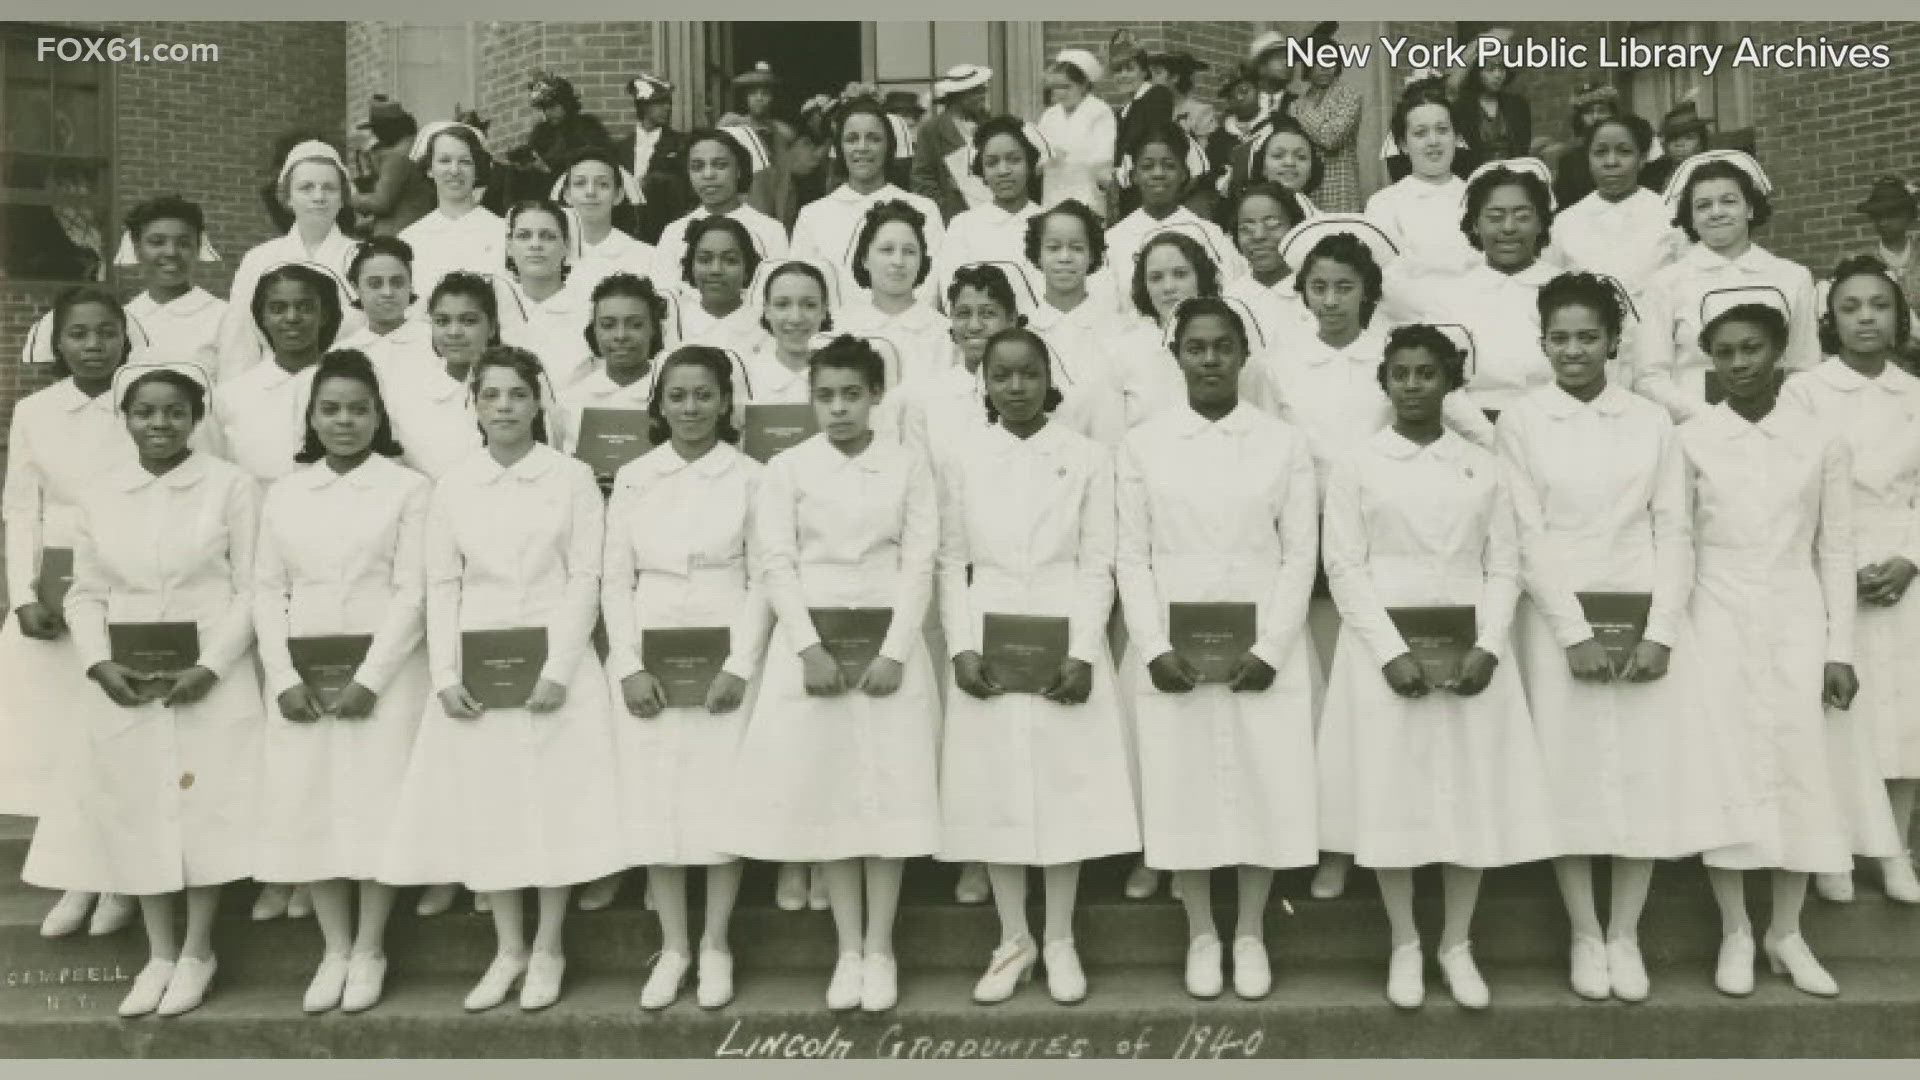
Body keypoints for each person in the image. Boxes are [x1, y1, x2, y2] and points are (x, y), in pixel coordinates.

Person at [1497, 273, 1755, 1002]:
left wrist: (1662, 628)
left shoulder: (1649, 422)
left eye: (1588, 337)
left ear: (1613, 341)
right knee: (1570, 773)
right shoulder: (1521, 422)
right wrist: (1572, 630)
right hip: (1555, 619)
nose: (1574, 351)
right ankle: (1585, 930)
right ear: (1542, 342)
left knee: (1640, 772)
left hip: (1643, 608)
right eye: (1560, 338)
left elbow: (1673, 528)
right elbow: (1524, 533)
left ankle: (1625, 933)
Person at [379, 345, 625, 1013]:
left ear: (539, 402)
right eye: (492, 396)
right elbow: (442, 582)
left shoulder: (571, 477)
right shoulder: (454, 484)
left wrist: (558, 669)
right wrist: (446, 675)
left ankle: (548, 946)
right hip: (478, 666)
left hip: (555, 664)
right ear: (474, 405)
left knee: (553, 805)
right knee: (493, 811)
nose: (506, 408)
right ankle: (508, 947)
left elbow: (585, 577)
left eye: (518, 394)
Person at [1316, 323, 1555, 1010]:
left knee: (1466, 796)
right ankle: (1404, 942)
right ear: (1384, 381)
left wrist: (1489, 643)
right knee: (1394, 796)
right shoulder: (1359, 465)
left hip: (1470, 651)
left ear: (1451, 383)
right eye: (1401, 374)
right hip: (1384, 653)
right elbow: (1344, 565)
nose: (1414, 386)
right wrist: (1389, 652)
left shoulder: (1484, 465)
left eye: (1427, 373)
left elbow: (1504, 561)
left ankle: (1456, 942)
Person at [22, 362, 261, 1019]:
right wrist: (99, 663)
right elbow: (87, 590)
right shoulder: (101, 492)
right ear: (124, 418)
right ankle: (158, 952)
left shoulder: (230, 487)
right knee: (138, 810)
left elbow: (251, 587)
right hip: (128, 681)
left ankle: (197, 951)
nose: (160, 424)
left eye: (175, 412)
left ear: (196, 416)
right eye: (145, 412)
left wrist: (211, 665)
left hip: (209, 677)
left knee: (204, 809)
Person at [720, 335, 942, 1013]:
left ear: (877, 396)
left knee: (886, 795)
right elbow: (776, 563)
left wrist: (896, 651)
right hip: (812, 657)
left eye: (852, 394)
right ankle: (848, 948)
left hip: (884, 655)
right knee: (833, 798)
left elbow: (919, 561)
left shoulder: (907, 465)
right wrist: (807, 646)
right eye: (825, 395)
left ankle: (882, 948)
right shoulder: (787, 468)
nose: (839, 408)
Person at [1114, 297, 1317, 1000]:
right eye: (1196, 348)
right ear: (1177, 356)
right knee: (1183, 786)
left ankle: (1252, 930)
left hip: (1262, 644)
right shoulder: (1143, 444)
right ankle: (1202, 930)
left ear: (1242, 354)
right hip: (1174, 643)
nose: (1209, 360)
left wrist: (1273, 646)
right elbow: (1130, 557)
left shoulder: (1281, 443)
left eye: (1222, 347)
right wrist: (1151, 646)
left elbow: (1299, 555)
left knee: (1265, 784)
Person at [935, 326, 1140, 1005]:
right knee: (995, 787)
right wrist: (962, 644)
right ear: (984, 383)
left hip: (1062, 625)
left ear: (1047, 378)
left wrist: (1083, 652)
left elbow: (1098, 559)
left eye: (1028, 375)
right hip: (988, 628)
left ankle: (1058, 938)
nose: (1016, 388)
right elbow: (949, 560)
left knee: (1064, 785)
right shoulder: (961, 456)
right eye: (1002, 376)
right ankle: (1012, 937)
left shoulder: (1085, 456)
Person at [1681, 298, 1857, 1000]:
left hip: (1793, 614)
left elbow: (1836, 547)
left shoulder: (1820, 439)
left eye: (1751, 349)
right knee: (1724, 772)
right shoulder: (1693, 438)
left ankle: (1786, 931)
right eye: (1724, 353)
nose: (1738, 364)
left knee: (1797, 769)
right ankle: (1734, 930)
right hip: (1714, 615)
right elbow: (1680, 542)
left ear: (1779, 350)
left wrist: (1837, 645)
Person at [254, 349, 431, 1014]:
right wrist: (281, 676)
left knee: (373, 807)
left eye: (358, 409)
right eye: (330, 409)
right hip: (302, 681)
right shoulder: (286, 492)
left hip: (380, 680)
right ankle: (333, 946)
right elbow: (268, 589)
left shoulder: (408, 490)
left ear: (379, 415)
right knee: (313, 806)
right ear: (312, 418)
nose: (345, 420)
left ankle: (370, 948)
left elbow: (412, 592)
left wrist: (372, 678)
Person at [604, 345, 771, 1011]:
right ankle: (674, 946)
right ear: (659, 404)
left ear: (726, 403)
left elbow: (764, 577)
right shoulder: (636, 477)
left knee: (719, 798)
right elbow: (615, 580)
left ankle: (716, 943)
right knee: (658, 800)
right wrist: (629, 665)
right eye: (678, 396)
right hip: (652, 648)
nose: (692, 408)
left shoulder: (753, 477)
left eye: (705, 395)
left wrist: (739, 665)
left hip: (724, 647)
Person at [3, 288, 146, 941]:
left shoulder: (147, 402)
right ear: (57, 343)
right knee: (64, 740)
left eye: (106, 333)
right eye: (79, 335)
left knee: (121, 736)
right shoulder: (35, 411)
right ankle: (77, 877)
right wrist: (25, 595)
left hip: (130, 581)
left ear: (126, 338)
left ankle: (120, 880)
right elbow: (21, 508)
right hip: (59, 589)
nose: (93, 346)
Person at [1781, 256, 1920, 905]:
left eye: (1880, 306)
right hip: (1830, 561)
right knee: (1841, 707)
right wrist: (1833, 559)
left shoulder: (1915, 393)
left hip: (1904, 566)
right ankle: (1831, 845)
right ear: (1831, 321)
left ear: (1900, 316)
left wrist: (1909, 559)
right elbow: (1793, 481)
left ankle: (1894, 850)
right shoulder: (1806, 391)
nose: (1867, 318)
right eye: (1851, 308)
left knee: (1905, 712)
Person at [1637, 151, 1820, 423]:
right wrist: (1709, 417)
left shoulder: (1792, 277)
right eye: (1702, 205)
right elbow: (1649, 377)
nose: (1716, 212)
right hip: (1697, 429)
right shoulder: (1665, 284)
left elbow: (1804, 366)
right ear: (1690, 217)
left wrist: (1781, 417)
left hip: (1780, 427)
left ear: (1750, 208)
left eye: (1729, 201)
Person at [1408, 159, 1590, 422]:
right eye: (1495, 217)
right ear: (1475, 225)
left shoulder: (1571, 292)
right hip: (1475, 435)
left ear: (1541, 223)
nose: (1508, 228)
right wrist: (1487, 437)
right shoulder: (1448, 298)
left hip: (1561, 427)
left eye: (1522, 216)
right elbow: (1441, 386)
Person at [217, 141, 363, 382]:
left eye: (329, 188)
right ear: (288, 197)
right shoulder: (259, 258)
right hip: (273, 385)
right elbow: (239, 339)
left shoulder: (363, 256)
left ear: (342, 197)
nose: (318, 197)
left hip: (345, 387)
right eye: (306, 188)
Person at [791, 99, 946, 308]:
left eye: (873, 139)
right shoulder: (812, 215)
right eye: (852, 139)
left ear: (889, 147)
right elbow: (801, 288)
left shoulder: (923, 209)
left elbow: (931, 285)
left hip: (907, 333)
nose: (862, 147)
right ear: (840, 148)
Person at [213, 262, 351, 495]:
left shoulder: (351, 387)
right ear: (262, 317)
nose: (292, 317)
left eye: (305, 307)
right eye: (277, 308)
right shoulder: (232, 395)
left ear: (324, 314)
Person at [1105, 123, 1248, 314]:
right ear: (1135, 175)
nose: (1158, 173)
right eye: (1147, 166)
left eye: (1169, 165)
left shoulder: (1209, 234)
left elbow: (1230, 292)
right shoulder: (1114, 239)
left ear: (1184, 174)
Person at [1549, 114, 1685, 301]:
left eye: (1624, 151)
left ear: (1643, 158)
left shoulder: (1669, 216)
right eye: (1600, 152)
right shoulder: (1566, 222)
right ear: (1588, 158)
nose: (1611, 162)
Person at [651, 128, 791, 296]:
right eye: (697, 167)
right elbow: (665, 295)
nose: (708, 174)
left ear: (738, 170)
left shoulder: (770, 230)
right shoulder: (673, 232)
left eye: (720, 165)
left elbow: (781, 293)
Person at [1365, 78, 1478, 284]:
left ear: (1456, 137)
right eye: (1420, 133)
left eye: (1442, 130)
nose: (1433, 141)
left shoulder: (1478, 196)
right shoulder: (1384, 205)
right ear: (1403, 145)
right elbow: (1385, 276)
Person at [382, 272, 491, 483]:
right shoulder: (406, 397)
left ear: (492, 325)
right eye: (442, 321)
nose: (454, 332)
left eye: (469, 321)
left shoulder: (521, 384)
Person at [555, 272, 670, 469]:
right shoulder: (567, 402)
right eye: (608, 325)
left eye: (635, 325)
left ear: (653, 328)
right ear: (595, 330)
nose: (620, 335)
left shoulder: (673, 397)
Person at [933, 117, 1049, 305]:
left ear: (1030, 164)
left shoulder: (1051, 222)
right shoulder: (963, 226)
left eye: (1014, 160)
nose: (1003, 170)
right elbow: (952, 295)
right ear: (982, 171)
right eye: (992, 163)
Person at [838, 200, 951, 384]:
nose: (898, 261)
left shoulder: (945, 334)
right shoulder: (840, 328)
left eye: (909, 251)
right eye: (886, 250)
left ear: (922, 260)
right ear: (865, 258)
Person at [399, 122, 507, 306]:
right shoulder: (410, 238)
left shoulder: (503, 231)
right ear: (429, 169)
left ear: (477, 171)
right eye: (444, 161)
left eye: (465, 162)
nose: (454, 170)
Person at [1023, 200, 1124, 397]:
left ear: (1092, 255)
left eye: (1077, 248)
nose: (1065, 257)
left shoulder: (1118, 330)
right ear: (1038, 255)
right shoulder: (1026, 332)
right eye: (1053, 248)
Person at [117, 196, 227, 375]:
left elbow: (236, 393)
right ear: (137, 249)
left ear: (197, 249)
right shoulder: (124, 318)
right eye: (157, 242)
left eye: (183, 244)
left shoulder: (224, 316)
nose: (171, 252)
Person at [501, 198, 595, 392]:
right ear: (509, 246)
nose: (535, 245)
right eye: (524, 236)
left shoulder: (590, 311)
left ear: (566, 245)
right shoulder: (495, 307)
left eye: (548, 236)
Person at [551, 146, 655, 297]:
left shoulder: (646, 256)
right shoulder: (549, 251)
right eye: (580, 183)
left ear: (618, 195)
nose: (591, 192)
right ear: (567, 194)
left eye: (603, 184)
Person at [1281, 24, 1363, 215]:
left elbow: (1331, 137)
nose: (1325, 67)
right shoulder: (1295, 104)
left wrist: (1301, 110)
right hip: (1308, 189)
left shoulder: (1349, 96)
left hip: (1341, 188)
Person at [1224, 183, 1314, 342]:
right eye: (1246, 228)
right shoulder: (1230, 300)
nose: (1259, 235)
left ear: (1295, 228)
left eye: (1273, 225)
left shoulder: (1315, 293)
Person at [336, 237, 435, 378]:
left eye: (397, 282)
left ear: (410, 285)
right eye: (375, 284)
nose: (387, 292)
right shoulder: (344, 353)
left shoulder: (436, 342)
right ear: (356, 287)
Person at [1036, 50, 1116, 220]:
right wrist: (1044, 158)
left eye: (1066, 86)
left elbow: (1104, 158)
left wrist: (1067, 155)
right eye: (1056, 87)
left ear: (1084, 85)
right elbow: (1038, 152)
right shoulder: (1050, 115)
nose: (1060, 93)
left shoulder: (1099, 111)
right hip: (1053, 195)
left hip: (1086, 196)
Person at [616, 74, 694, 245]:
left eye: (668, 103)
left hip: (666, 233)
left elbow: (687, 192)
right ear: (643, 106)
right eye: (659, 103)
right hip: (627, 234)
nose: (667, 108)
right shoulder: (621, 149)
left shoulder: (680, 145)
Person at [912, 64, 995, 224]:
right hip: (951, 221)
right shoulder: (932, 130)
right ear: (960, 96)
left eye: (983, 90)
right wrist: (947, 208)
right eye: (976, 92)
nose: (983, 96)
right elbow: (921, 181)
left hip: (989, 217)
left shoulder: (990, 125)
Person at [676, 215, 765, 356]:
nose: (716, 270)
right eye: (705, 260)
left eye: (730, 260)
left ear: (747, 268)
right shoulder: (673, 325)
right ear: (691, 265)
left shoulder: (765, 328)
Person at [515, 73, 615, 198]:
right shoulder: (541, 133)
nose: (547, 113)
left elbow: (596, 163)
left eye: (552, 106)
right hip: (547, 198)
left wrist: (547, 170)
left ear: (566, 103)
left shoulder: (588, 127)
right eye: (544, 108)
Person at [350, 96, 435, 238]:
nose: (376, 136)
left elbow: (381, 203)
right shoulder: (418, 146)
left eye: (376, 131)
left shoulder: (396, 156)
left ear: (385, 129)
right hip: (421, 227)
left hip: (398, 235)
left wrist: (349, 198)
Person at [1451, 28, 1531, 175]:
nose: (1497, 75)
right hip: (1476, 180)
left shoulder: (1518, 106)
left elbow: (1523, 150)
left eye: (1501, 68)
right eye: (1490, 69)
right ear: (1477, 72)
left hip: (1514, 177)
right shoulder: (1461, 108)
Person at [1223, 119, 1325, 223]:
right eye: (1278, 156)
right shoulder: (1240, 217)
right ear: (1262, 167)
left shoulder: (1324, 224)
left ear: (1313, 167)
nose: (1289, 163)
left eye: (1301, 157)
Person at [1856, 177, 1920, 328]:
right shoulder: (1862, 262)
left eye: (1892, 215)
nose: (1883, 222)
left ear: (1909, 217)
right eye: (1878, 216)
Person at [1640, 99, 1713, 195]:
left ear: (1701, 143)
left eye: (1689, 138)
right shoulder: (1654, 174)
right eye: (1673, 138)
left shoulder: (1712, 172)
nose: (1679, 144)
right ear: (1665, 145)